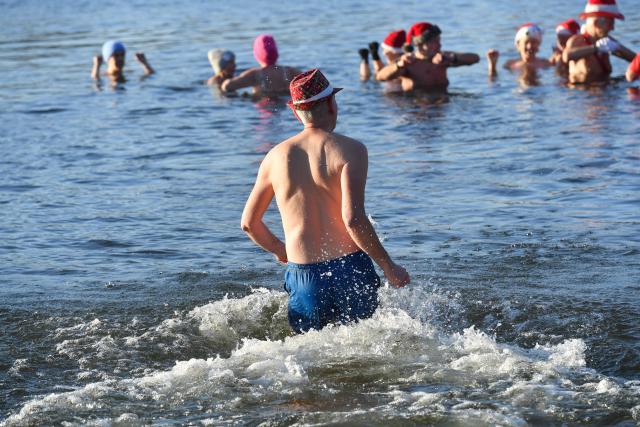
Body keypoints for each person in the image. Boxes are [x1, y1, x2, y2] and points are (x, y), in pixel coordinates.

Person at [240, 69, 410, 333]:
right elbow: (352, 219)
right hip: (350, 269)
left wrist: (281, 251)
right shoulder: (350, 149)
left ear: (296, 112)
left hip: (304, 275)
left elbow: (249, 223)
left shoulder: (274, 157)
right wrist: (388, 266)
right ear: (331, 104)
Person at [376, 22, 480, 92]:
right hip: (416, 109)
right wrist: (399, 65)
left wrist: (452, 58)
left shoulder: (443, 58)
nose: (439, 45)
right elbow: (380, 77)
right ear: (420, 44)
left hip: (442, 105)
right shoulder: (409, 62)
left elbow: (475, 58)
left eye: (439, 40)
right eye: (434, 41)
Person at [563, 0, 636, 85]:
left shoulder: (607, 41)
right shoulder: (577, 40)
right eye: (610, 24)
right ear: (596, 23)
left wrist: (618, 47)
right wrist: (595, 48)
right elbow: (566, 56)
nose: (612, 28)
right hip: (583, 93)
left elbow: (636, 60)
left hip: (606, 87)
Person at [221, 34, 301, 97]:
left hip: (265, 104)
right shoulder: (290, 71)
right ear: (276, 52)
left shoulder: (254, 74)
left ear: (256, 54)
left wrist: (223, 77)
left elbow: (227, 86)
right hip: (284, 103)